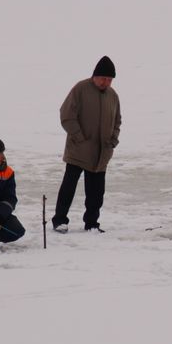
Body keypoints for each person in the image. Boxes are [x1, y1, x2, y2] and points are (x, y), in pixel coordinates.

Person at [51, 56, 122, 233]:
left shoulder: (113, 96)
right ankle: (60, 220)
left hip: (102, 152)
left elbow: (117, 121)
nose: (106, 82)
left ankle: (91, 223)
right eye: (104, 78)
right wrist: (79, 137)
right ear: (95, 76)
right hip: (79, 149)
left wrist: (113, 140)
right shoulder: (80, 89)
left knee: (96, 192)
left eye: (110, 80)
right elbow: (66, 114)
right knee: (69, 187)